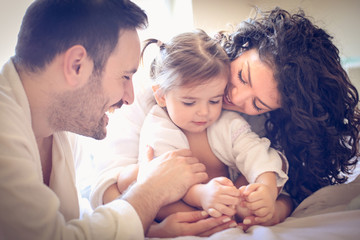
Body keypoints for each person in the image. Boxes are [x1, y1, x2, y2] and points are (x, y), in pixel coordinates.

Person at [90, 6, 360, 236]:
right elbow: (108, 189)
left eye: (258, 103)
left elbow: (284, 181)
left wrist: (276, 207)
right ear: (243, 47)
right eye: (242, 76)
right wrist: (153, 228)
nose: (235, 96)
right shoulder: (164, 90)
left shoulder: (258, 126)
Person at [0, 0, 236, 239]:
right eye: (125, 76)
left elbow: (70, 222)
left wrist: (151, 229)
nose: (130, 97)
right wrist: (151, 190)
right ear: (76, 66)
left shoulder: (60, 132)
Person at [139, 30, 287, 223]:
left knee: (276, 190)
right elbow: (168, 182)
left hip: (233, 195)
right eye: (190, 102)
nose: (204, 112)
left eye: (214, 100)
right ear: (161, 96)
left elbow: (257, 154)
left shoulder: (228, 121)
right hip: (184, 202)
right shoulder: (159, 128)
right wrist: (202, 195)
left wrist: (265, 189)